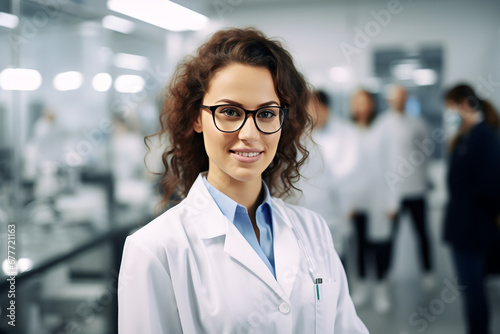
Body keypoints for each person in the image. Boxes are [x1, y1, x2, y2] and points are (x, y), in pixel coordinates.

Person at [118, 28, 369, 334]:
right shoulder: (154, 249)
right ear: (197, 118)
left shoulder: (313, 229)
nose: (250, 134)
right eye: (230, 112)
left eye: (266, 113)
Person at [442, 83, 500, 334]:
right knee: (470, 291)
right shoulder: (464, 137)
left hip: (475, 230)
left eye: (450, 108)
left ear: (464, 104)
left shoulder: (483, 136)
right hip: (463, 228)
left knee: (475, 292)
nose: (449, 113)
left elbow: (492, 186)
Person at [377, 85, 434, 289]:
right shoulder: (382, 124)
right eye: (395, 97)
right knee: (388, 236)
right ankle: (384, 277)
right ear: (390, 100)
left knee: (422, 234)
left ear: (407, 99)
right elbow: (379, 159)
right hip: (393, 192)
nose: (399, 101)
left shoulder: (417, 123)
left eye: (403, 97)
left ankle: (428, 273)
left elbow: (425, 153)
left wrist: (426, 178)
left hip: (416, 189)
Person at [288, 89, 355, 262]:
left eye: (313, 106)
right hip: (305, 217)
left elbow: (345, 177)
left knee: (336, 268)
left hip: (332, 216)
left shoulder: (343, 133)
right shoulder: (301, 140)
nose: (309, 111)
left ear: (325, 108)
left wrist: (347, 208)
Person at [348, 89, 396, 314]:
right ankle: (362, 288)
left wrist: (392, 201)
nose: (361, 107)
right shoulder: (347, 133)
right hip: (355, 202)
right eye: (357, 102)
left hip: (378, 199)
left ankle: (381, 289)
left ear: (372, 105)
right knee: (359, 246)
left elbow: (391, 167)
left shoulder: (382, 131)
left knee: (379, 246)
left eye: (365, 102)